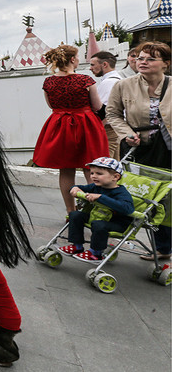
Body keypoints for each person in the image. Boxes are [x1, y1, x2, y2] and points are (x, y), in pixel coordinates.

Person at [106, 41, 171, 261]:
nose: (143, 62)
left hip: (167, 148)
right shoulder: (123, 85)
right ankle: (111, 236)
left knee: (165, 197)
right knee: (133, 193)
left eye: (151, 59)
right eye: (140, 58)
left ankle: (163, 248)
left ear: (166, 63)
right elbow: (113, 114)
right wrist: (126, 133)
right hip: (136, 146)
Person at [33, 45, 108, 214]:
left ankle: (70, 211)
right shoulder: (85, 80)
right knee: (91, 168)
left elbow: (51, 105)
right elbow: (97, 106)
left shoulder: (48, 82)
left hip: (60, 125)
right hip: (86, 124)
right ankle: (93, 211)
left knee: (66, 170)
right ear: (72, 59)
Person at [58, 157, 134, 263]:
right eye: (92, 173)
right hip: (97, 216)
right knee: (75, 215)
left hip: (116, 223)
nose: (93, 176)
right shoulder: (96, 186)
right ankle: (77, 245)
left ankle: (96, 253)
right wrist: (74, 188)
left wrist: (101, 197)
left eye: (99, 173)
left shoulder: (121, 193)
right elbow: (80, 187)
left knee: (98, 224)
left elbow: (128, 209)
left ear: (115, 177)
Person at [89, 51, 122, 158]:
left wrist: (98, 130)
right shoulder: (117, 79)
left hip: (107, 129)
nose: (90, 68)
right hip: (115, 128)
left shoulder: (108, 82)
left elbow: (106, 111)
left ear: (104, 64)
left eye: (93, 65)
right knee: (113, 163)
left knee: (104, 162)